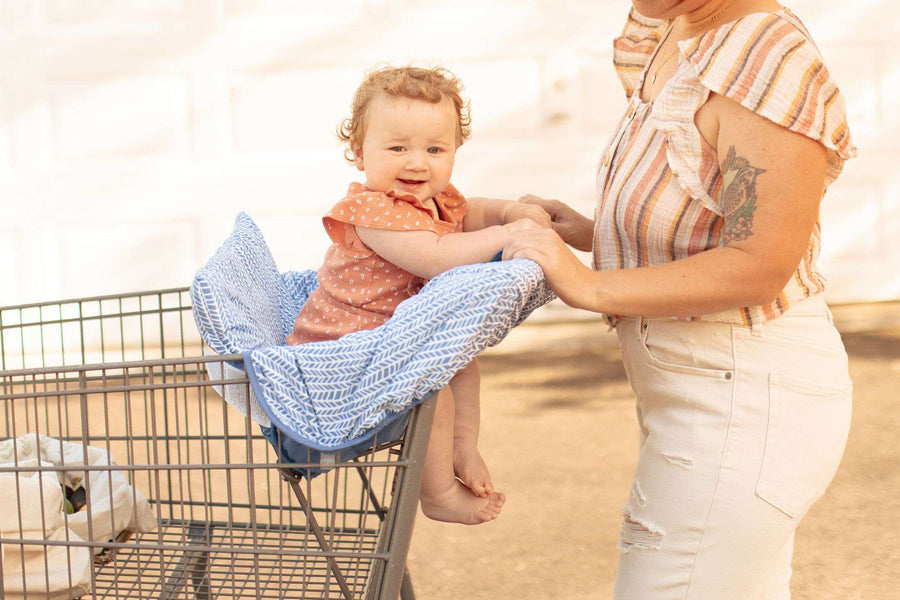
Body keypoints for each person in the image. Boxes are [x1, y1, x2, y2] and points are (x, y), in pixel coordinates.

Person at [503, 0, 856, 597]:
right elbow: (704, 214)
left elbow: (760, 264)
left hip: (747, 401)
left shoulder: (768, 59)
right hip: (706, 391)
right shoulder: (676, 25)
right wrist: (595, 234)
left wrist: (588, 284)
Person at [287, 65, 549, 525]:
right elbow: (436, 255)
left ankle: (462, 448)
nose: (417, 162)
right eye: (397, 147)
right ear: (358, 152)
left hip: (392, 336)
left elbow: (471, 212)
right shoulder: (371, 210)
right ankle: (439, 495)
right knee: (433, 390)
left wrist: (510, 210)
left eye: (434, 149)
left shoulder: (435, 197)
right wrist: (510, 233)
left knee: (463, 364)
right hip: (342, 347)